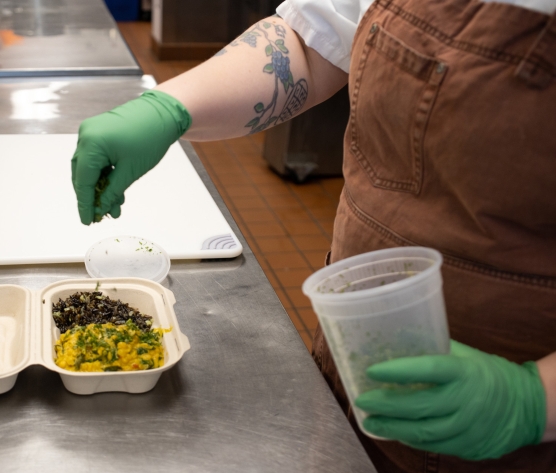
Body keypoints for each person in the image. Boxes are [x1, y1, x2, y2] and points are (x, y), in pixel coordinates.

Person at [70, 0, 556, 470]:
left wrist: (533, 400)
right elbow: (309, 47)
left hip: (513, 436)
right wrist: (171, 106)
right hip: (355, 368)